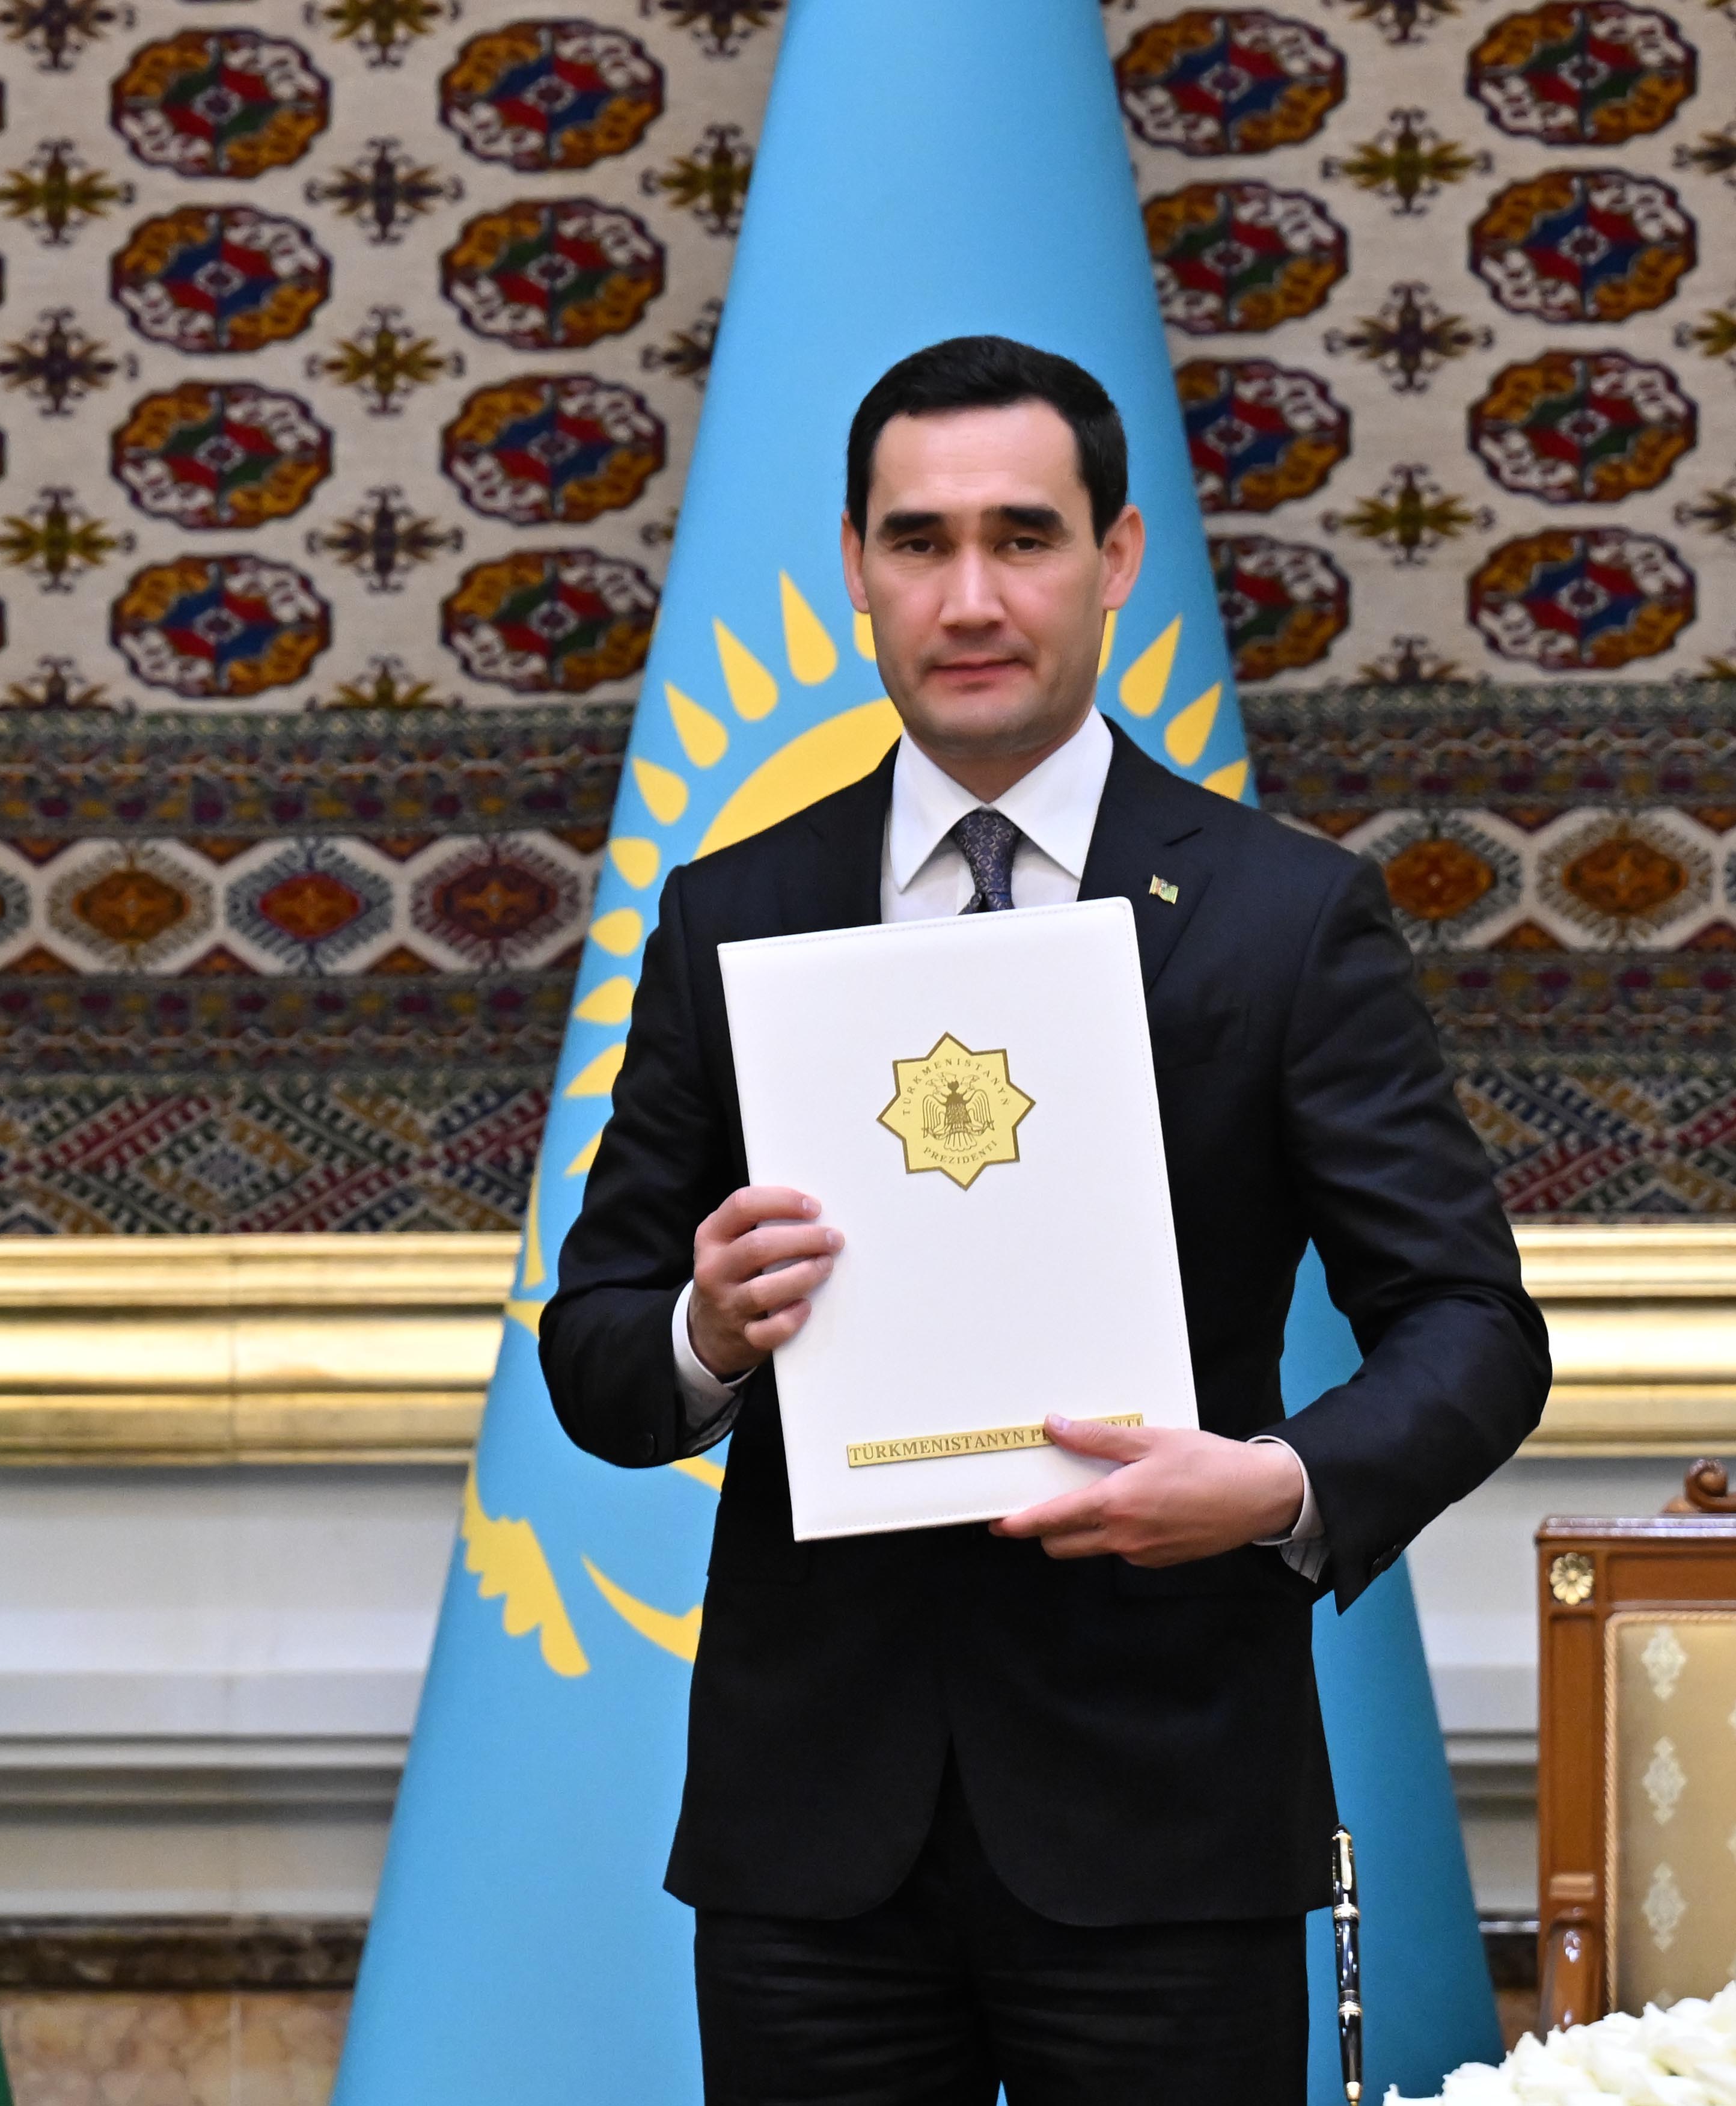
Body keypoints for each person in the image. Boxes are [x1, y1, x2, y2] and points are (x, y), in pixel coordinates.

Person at [539, 335, 1547, 2104]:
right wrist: (702, 1329)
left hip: (1168, 1816)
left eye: (1024, 537)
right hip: (812, 1840)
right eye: (920, 543)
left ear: (1117, 556)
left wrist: (1279, 1486)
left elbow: (1473, 1327)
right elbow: (597, 1346)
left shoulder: (1287, 919)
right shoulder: (732, 915)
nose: (973, 597)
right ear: (854, 570)